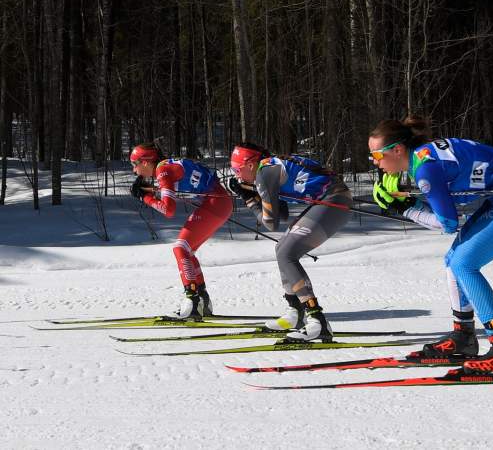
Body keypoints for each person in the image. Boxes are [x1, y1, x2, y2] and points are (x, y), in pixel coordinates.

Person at [367, 117, 493, 375]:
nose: (374, 161)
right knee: (454, 261)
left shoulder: (424, 168)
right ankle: (463, 336)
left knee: (465, 264)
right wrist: (410, 202)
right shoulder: (422, 158)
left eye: (376, 154)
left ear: (397, 150)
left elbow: (449, 223)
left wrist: (407, 210)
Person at [229, 142, 352, 342]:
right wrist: (252, 191)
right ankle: (296, 312)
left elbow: (270, 223)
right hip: (331, 197)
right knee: (282, 248)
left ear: (250, 165)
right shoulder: (269, 167)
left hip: (334, 200)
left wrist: (248, 198)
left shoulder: (264, 173)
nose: (236, 175)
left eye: (237, 169)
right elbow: (283, 213)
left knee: (287, 252)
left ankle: (317, 319)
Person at [129, 142, 232, 319]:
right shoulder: (166, 167)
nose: (134, 171)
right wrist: (149, 191)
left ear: (145, 162)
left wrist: (144, 197)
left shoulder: (163, 171)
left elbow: (168, 210)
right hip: (219, 202)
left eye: (134, 164)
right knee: (187, 251)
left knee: (180, 248)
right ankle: (202, 301)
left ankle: (192, 301)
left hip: (215, 204)